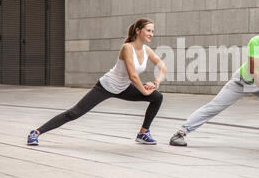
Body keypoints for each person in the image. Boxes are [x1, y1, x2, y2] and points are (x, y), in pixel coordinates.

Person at [169, 11, 259, 148]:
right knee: (214, 107)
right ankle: (180, 133)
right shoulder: (255, 42)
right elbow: (254, 72)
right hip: (242, 82)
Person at [27, 18, 166, 146]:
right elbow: (133, 76)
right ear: (138, 30)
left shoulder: (147, 50)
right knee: (74, 113)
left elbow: (162, 67)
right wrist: (144, 90)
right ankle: (36, 133)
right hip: (106, 86)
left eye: (153, 31)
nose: (151, 34)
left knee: (157, 97)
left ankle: (143, 133)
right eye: (148, 30)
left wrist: (155, 83)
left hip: (123, 88)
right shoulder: (127, 48)